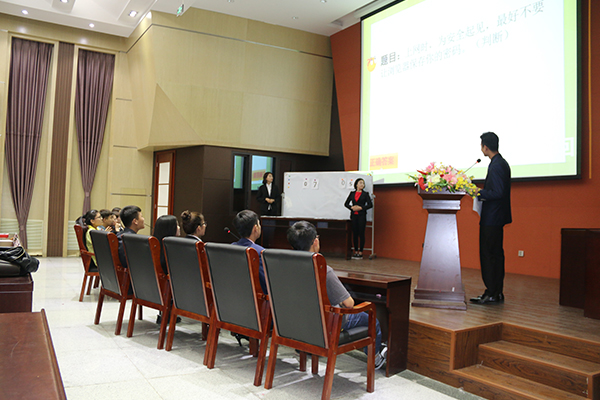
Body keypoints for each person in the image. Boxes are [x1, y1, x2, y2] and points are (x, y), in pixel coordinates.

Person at [286, 220, 387, 370]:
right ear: (315, 242)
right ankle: (376, 358)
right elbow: (349, 304)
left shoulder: (285, 266)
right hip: (326, 326)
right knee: (373, 320)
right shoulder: (323, 270)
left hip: (297, 322)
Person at [470, 132, 512, 305]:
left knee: (489, 256)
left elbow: (498, 192)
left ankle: (492, 292)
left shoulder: (497, 165)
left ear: (485, 147)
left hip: (492, 218)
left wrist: (478, 192)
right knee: (495, 255)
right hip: (495, 218)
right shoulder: (500, 163)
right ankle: (496, 292)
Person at [152, 214, 180, 325]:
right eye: (177, 225)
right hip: (169, 290)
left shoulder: (153, 247)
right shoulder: (172, 251)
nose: (179, 227)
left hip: (152, 290)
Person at [231, 210, 267, 294]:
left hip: (234, 295)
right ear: (255, 228)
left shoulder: (231, 248)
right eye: (259, 224)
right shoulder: (260, 252)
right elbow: (266, 285)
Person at [344, 178, 373, 259]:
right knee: (355, 233)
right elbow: (346, 203)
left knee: (361, 233)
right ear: (356, 184)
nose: (362, 185)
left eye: (363, 183)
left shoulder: (365, 194)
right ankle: (355, 251)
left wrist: (361, 208)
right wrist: (352, 208)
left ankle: (361, 252)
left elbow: (370, 205)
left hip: (361, 216)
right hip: (354, 216)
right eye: (360, 183)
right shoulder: (352, 193)